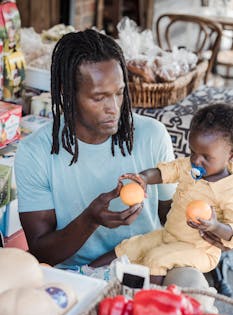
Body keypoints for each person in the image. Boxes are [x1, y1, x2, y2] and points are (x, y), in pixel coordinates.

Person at [14, 29, 214, 290]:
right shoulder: (35, 153)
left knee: (196, 291)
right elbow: (42, 253)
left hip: (151, 264)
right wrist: (90, 219)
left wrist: (205, 226)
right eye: (99, 97)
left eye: (119, 93)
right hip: (78, 277)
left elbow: (170, 215)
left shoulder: (151, 135)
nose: (113, 107)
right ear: (65, 94)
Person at [99, 103, 233, 284]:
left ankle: (150, 302)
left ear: (230, 155)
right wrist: (144, 178)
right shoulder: (188, 166)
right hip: (168, 235)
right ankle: (85, 272)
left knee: (156, 258)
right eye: (192, 151)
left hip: (200, 251)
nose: (196, 160)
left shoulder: (228, 190)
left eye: (206, 157)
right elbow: (164, 172)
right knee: (130, 247)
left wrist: (215, 226)